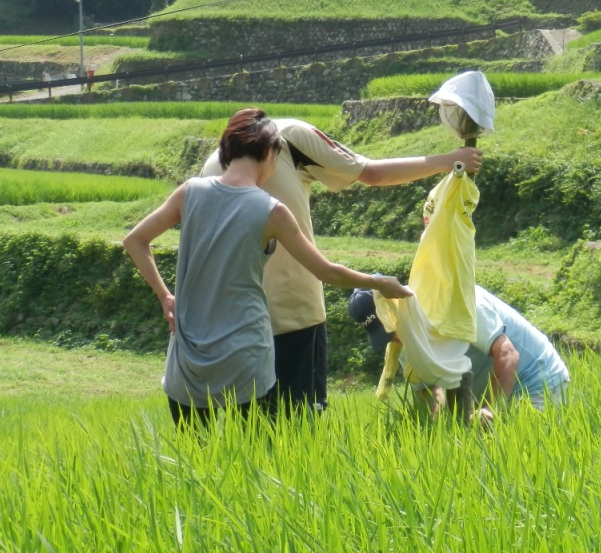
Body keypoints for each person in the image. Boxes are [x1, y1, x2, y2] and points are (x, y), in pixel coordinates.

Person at [126, 108, 411, 427]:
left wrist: (166, 297)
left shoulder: (190, 191)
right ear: (269, 153)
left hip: (190, 358)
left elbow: (134, 241)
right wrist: (378, 281)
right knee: (265, 455)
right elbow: (326, 271)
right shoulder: (270, 210)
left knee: (199, 463)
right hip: (247, 355)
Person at [198, 119, 482, 415]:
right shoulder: (290, 136)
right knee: (295, 426)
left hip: (231, 319)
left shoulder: (212, 166)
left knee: (248, 426)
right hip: (293, 314)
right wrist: (448, 161)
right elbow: (370, 173)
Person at [350, 284, 571, 413]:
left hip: (536, 379)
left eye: (392, 326)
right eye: (388, 334)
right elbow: (428, 391)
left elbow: (508, 355)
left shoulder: (452, 300)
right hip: (491, 392)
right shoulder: (403, 341)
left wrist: (491, 412)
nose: (395, 337)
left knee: (524, 462)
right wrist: (437, 434)